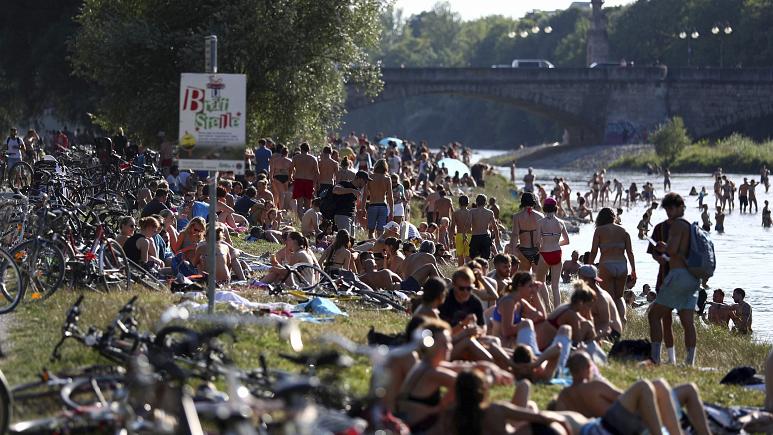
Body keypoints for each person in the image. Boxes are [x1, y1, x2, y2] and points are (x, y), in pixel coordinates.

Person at [555, 352, 712, 435]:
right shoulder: (594, 386)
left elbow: (563, 419)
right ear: (589, 368)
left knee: (659, 385)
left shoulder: (563, 396)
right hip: (629, 422)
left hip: (608, 426)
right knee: (688, 389)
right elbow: (624, 398)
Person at [428, 370, 568, 435]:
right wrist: (563, 421)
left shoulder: (450, 415)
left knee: (531, 405)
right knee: (542, 424)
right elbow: (540, 417)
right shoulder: (495, 410)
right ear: (482, 392)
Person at [650, 193, 700, 366]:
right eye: (667, 209)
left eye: (671, 208)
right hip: (692, 277)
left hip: (677, 275)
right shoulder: (691, 227)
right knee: (687, 321)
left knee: (654, 315)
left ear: (680, 207)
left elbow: (671, 250)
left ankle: (655, 359)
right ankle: (689, 363)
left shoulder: (677, 225)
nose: (669, 212)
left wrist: (663, 246)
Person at [589, 207, 636, 326]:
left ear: (600, 218)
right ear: (613, 217)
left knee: (608, 296)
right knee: (619, 297)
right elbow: (630, 252)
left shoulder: (599, 230)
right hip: (622, 265)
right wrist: (633, 270)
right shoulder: (624, 230)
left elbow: (594, 252)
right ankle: (622, 320)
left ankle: (611, 324)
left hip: (606, 265)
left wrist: (589, 266)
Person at [535, 198, 570, 311]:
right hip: (557, 253)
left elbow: (537, 242)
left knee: (540, 282)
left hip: (544, 253)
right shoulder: (560, 222)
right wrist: (555, 243)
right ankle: (558, 312)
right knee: (555, 287)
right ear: (555, 208)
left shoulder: (540, 222)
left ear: (545, 208)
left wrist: (544, 245)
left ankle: (546, 307)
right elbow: (567, 241)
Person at [511, 193, 543, 272]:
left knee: (524, 278)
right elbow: (543, 236)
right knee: (539, 278)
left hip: (523, 251)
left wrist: (513, 252)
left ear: (522, 202)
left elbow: (515, 235)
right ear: (533, 202)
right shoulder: (540, 216)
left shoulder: (517, 217)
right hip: (537, 251)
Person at [331, 170, 369, 237]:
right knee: (344, 239)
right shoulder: (345, 183)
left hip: (351, 217)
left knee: (351, 240)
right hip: (342, 215)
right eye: (365, 181)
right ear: (359, 179)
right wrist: (352, 190)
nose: (365, 184)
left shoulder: (357, 189)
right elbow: (335, 190)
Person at [364, 159, 394, 238]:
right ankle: (379, 245)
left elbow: (365, 194)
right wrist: (391, 211)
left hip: (372, 205)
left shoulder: (370, 177)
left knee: (371, 231)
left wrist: (363, 207)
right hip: (383, 206)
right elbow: (390, 197)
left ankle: (371, 244)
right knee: (380, 231)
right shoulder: (387, 179)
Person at [290, 142, 319, 217]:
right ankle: (307, 221)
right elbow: (317, 173)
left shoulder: (296, 157)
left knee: (299, 205)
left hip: (298, 180)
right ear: (308, 149)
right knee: (308, 205)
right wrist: (314, 184)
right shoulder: (313, 159)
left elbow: (290, 169)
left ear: (301, 149)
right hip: (309, 182)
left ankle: (302, 221)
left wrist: (291, 177)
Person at [469, 194, 498, 261]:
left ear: (476, 202)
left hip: (475, 237)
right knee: (485, 260)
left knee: (474, 261)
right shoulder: (490, 212)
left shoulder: (472, 212)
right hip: (485, 237)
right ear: (485, 202)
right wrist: (497, 237)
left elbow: (468, 225)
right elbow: (494, 226)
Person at [450, 195, 472, 266]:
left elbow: (452, 227)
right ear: (468, 203)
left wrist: (450, 239)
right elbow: (471, 225)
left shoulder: (455, 213)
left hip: (459, 235)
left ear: (459, 203)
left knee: (460, 256)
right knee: (468, 256)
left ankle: (461, 271)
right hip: (469, 235)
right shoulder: (470, 213)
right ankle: (469, 271)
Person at [269, 145, 292, 210]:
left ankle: (281, 209)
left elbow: (272, 170)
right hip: (286, 177)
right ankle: (284, 208)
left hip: (277, 177)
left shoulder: (275, 161)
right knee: (285, 194)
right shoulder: (289, 161)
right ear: (287, 153)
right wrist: (290, 178)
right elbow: (292, 171)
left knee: (280, 194)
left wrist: (271, 179)